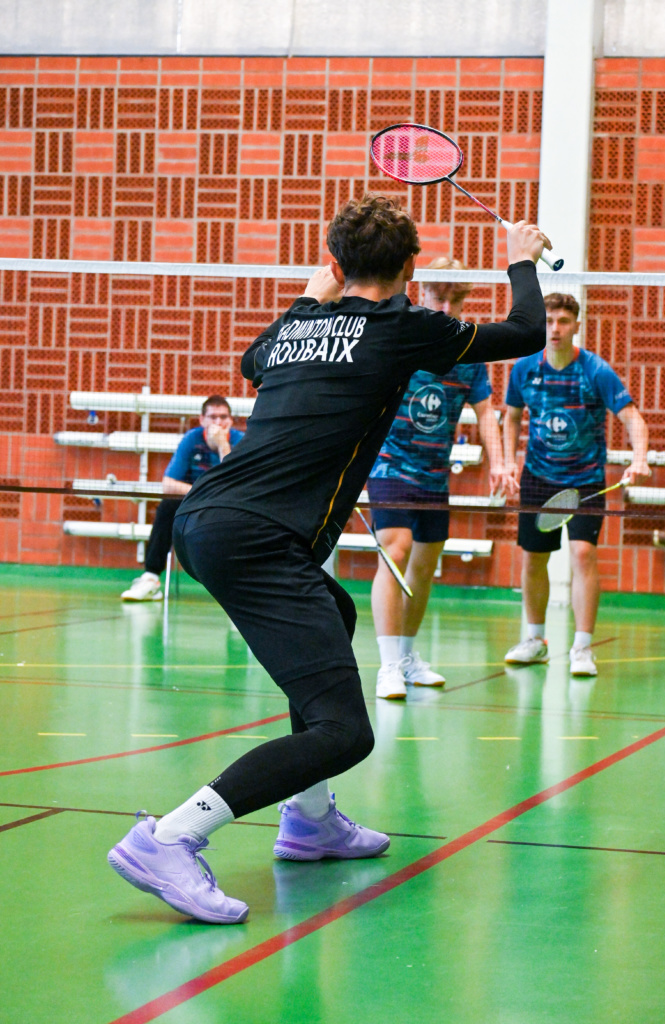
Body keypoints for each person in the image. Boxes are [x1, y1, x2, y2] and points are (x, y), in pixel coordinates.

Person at [108, 194, 550, 925]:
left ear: (336, 265)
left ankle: (309, 821)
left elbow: (252, 362)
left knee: (336, 612)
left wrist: (313, 296)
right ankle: (169, 838)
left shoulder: (298, 325)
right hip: (255, 537)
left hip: (209, 519)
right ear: (409, 269)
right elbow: (527, 330)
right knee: (344, 732)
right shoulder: (402, 327)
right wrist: (520, 258)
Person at [368, 258, 515, 700]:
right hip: (390, 465)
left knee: (424, 565)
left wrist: (500, 461)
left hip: (434, 475)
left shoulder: (467, 352)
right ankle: (388, 666)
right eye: (439, 296)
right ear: (423, 292)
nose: (446, 307)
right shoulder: (401, 337)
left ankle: (407, 657)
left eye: (455, 299)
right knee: (395, 551)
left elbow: (485, 412)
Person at [503, 292, 651, 677]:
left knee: (583, 554)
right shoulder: (525, 369)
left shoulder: (595, 371)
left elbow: (632, 418)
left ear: (576, 326)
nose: (555, 328)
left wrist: (639, 458)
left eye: (563, 321)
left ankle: (582, 647)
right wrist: (507, 461)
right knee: (534, 558)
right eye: (549, 321)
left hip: (586, 480)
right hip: (538, 476)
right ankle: (535, 640)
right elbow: (511, 417)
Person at [120, 397, 243, 601]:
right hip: (196, 503)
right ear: (202, 420)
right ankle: (150, 579)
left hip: (228, 506)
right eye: (213, 417)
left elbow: (234, 485)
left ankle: (241, 586)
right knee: (168, 505)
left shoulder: (240, 441)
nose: (218, 422)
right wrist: (206, 493)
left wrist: (223, 445)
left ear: (230, 421)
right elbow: (168, 484)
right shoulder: (191, 439)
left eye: (223, 417)